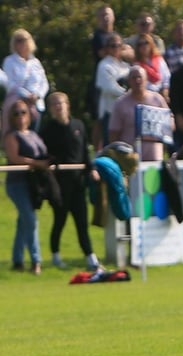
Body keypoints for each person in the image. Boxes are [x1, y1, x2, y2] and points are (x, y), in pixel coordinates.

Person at [39, 92, 101, 271]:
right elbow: (43, 154)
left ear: (67, 105)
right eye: (54, 105)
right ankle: (56, 256)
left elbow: (84, 152)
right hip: (59, 183)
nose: (58, 107)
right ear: (50, 109)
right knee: (60, 220)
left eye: (61, 104)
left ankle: (91, 258)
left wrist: (92, 170)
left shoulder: (78, 125)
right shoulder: (47, 130)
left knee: (82, 222)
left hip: (78, 183)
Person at [4, 99, 50, 275]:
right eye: (16, 113)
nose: (20, 116)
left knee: (24, 222)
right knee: (30, 220)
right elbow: (15, 158)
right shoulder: (11, 136)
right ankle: (36, 261)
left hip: (33, 183)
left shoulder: (33, 134)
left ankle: (17, 261)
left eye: (23, 112)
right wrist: (37, 163)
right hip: (17, 184)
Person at [109, 65, 172, 161]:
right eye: (134, 78)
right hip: (130, 159)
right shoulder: (120, 104)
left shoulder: (157, 99)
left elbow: (170, 122)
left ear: (146, 80)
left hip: (155, 158)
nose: (137, 81)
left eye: (140, 77)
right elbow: (113, 133)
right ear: (129, 81)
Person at [2, 29, 50, 132]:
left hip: (36, 105)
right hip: (17, 105)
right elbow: (10, 83)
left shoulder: (36, 62)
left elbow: (44, 82)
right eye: (18, 40)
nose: (21, 43)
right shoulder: (9, 61)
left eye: (24, 40)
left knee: (33, 138)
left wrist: (37, 95)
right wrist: (27, 95)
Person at [95, 33, 130, 146]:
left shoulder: (126, 66)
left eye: (118, 45)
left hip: (126, 111)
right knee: (110, 144)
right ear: (107, 48)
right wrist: (129, 94)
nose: (116, 48)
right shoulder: (104, 65)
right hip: (110, 111)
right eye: (112, 46)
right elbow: (110, 87)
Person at [133, 33, 170, 101]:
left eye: (146, 43)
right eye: (140, 44)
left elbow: (166, 78)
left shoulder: (159, 60)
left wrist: (165, 91)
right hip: (145, 97)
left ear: (151, 44)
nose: (143, 46)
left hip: (161, 94)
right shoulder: (136, 65)